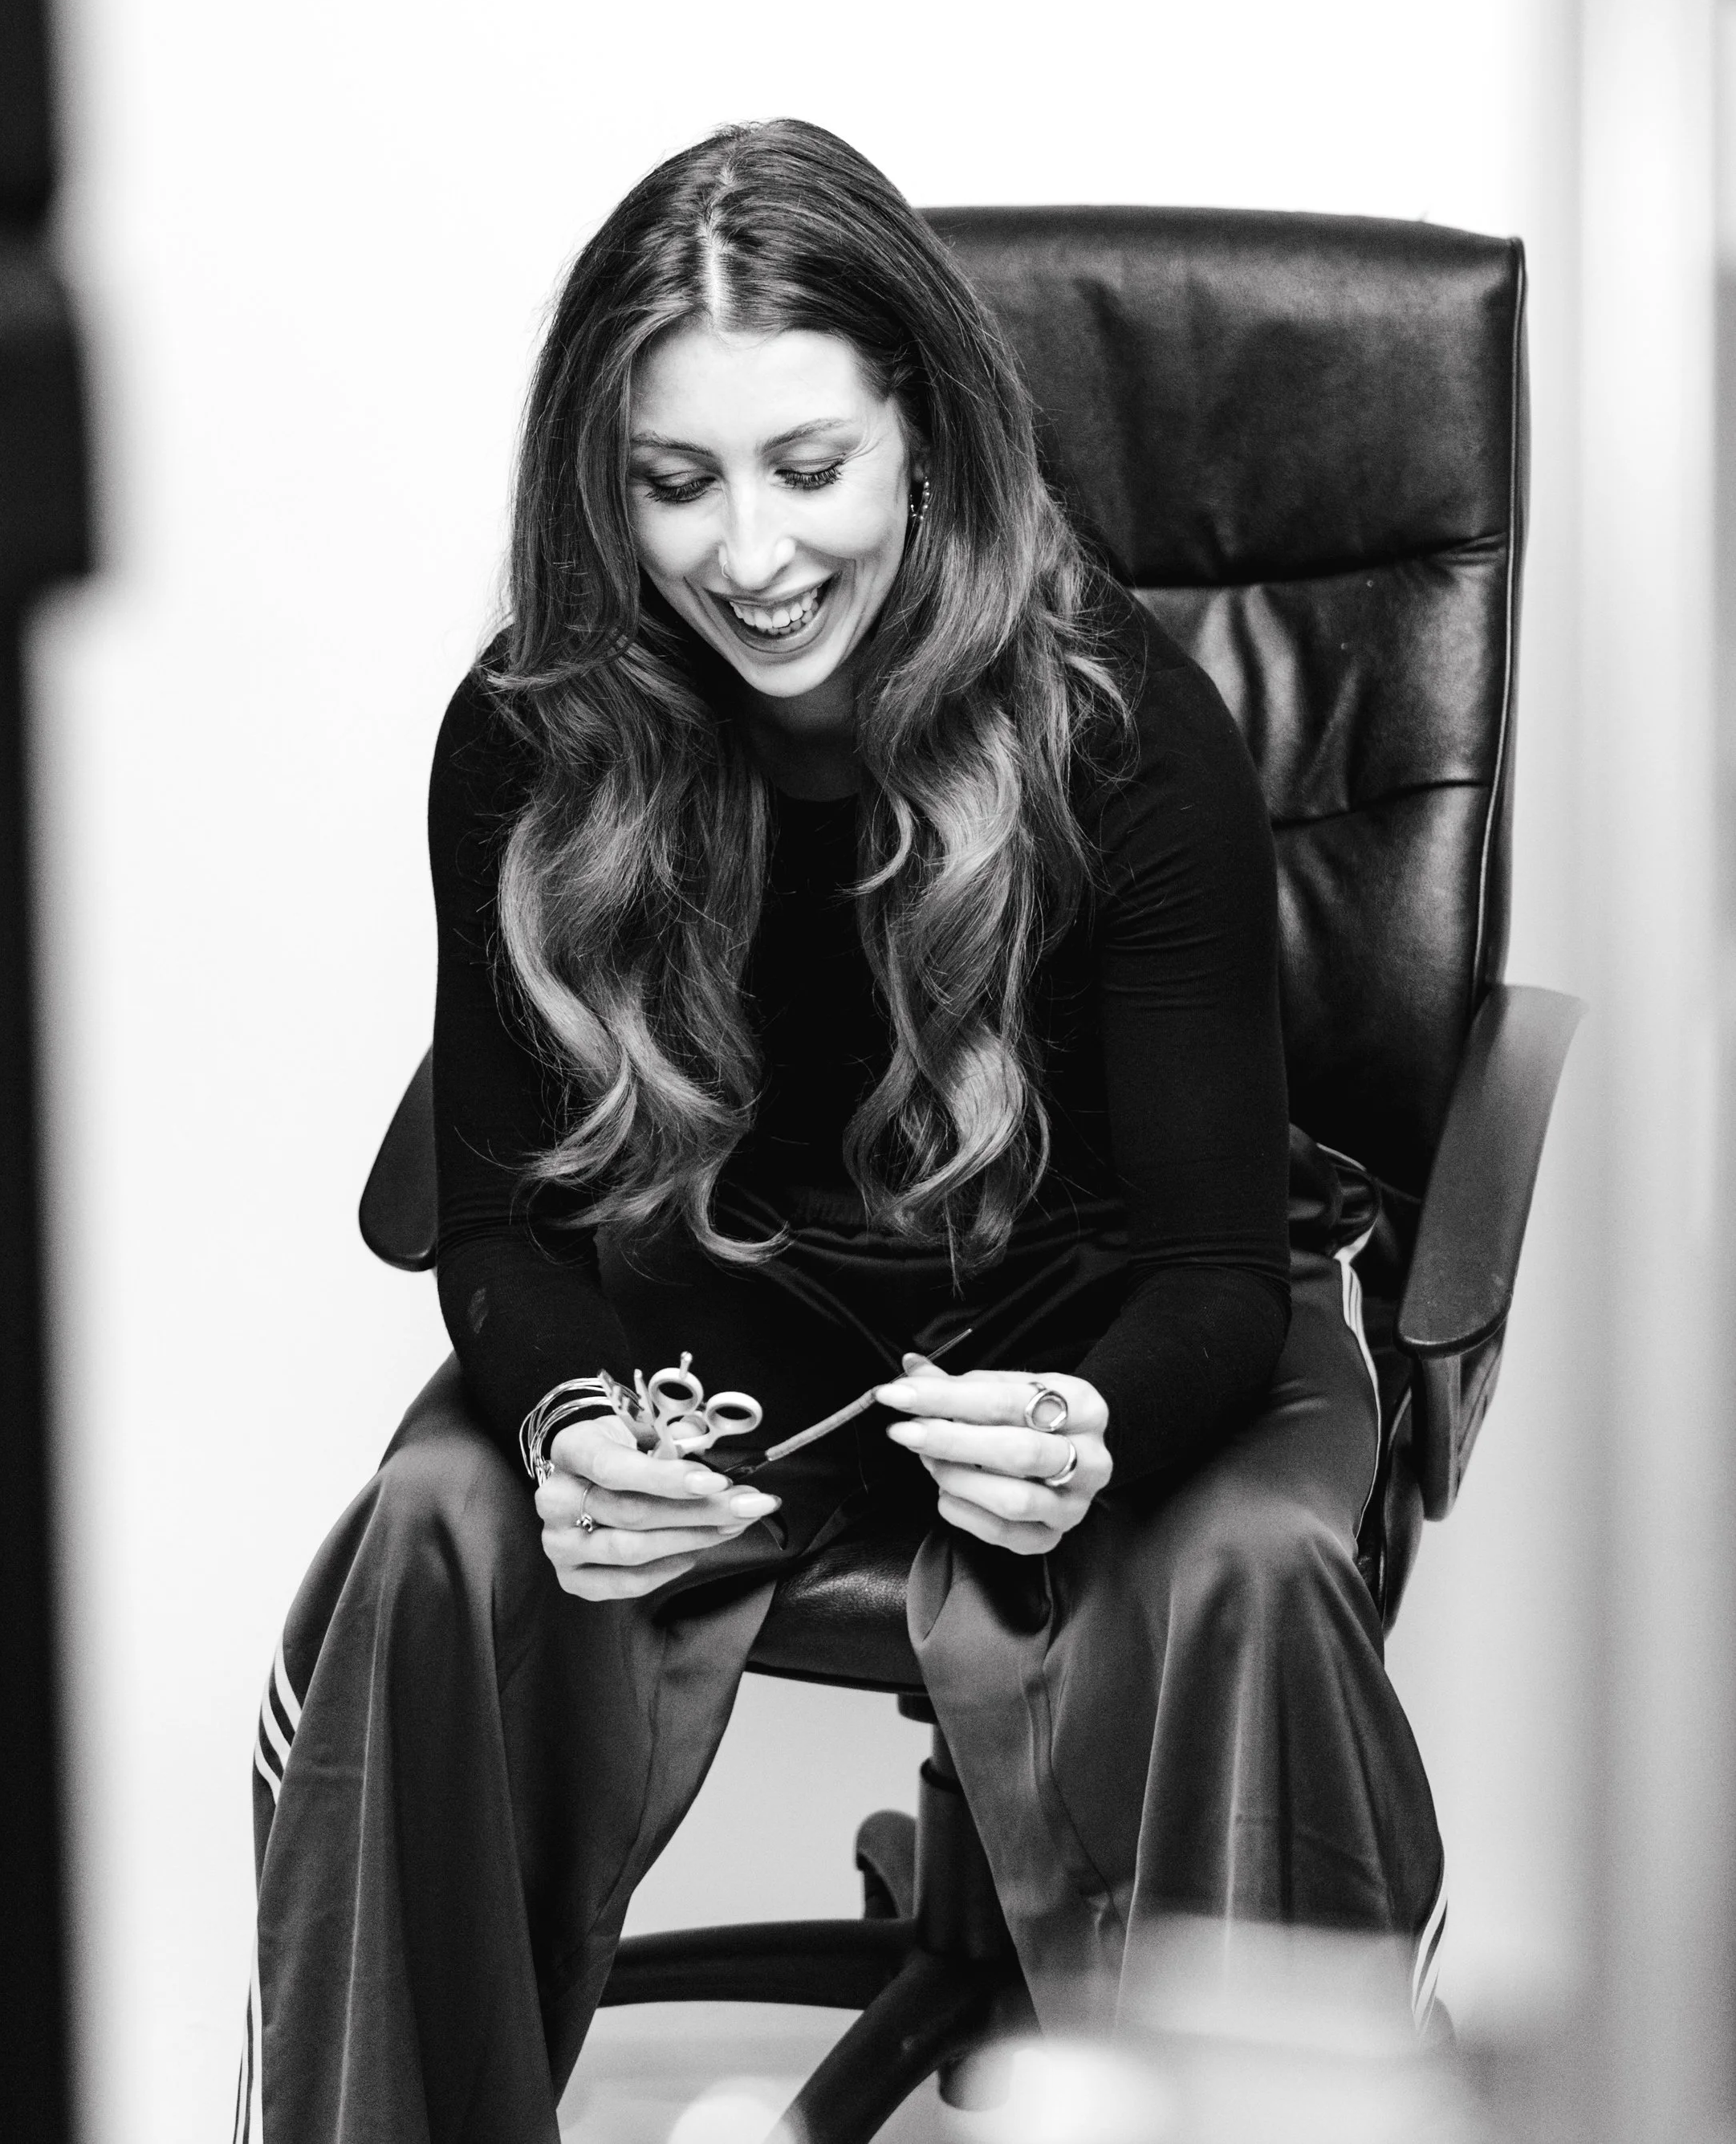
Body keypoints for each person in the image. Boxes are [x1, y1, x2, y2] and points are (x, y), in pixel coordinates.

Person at [235, 120, 1445, 2144]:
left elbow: (1216, 1280)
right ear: (598, 489)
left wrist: (1096, 1432)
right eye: (672, 482)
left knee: (1250, 1574)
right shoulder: (529, 727)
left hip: (1091, 1321)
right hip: (720, 1339)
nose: (750, 553)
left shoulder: (1124, 729)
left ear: (922, 445)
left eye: (809, 468)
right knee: (430, 1541)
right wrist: (562, 1431)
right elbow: (500, 1226)